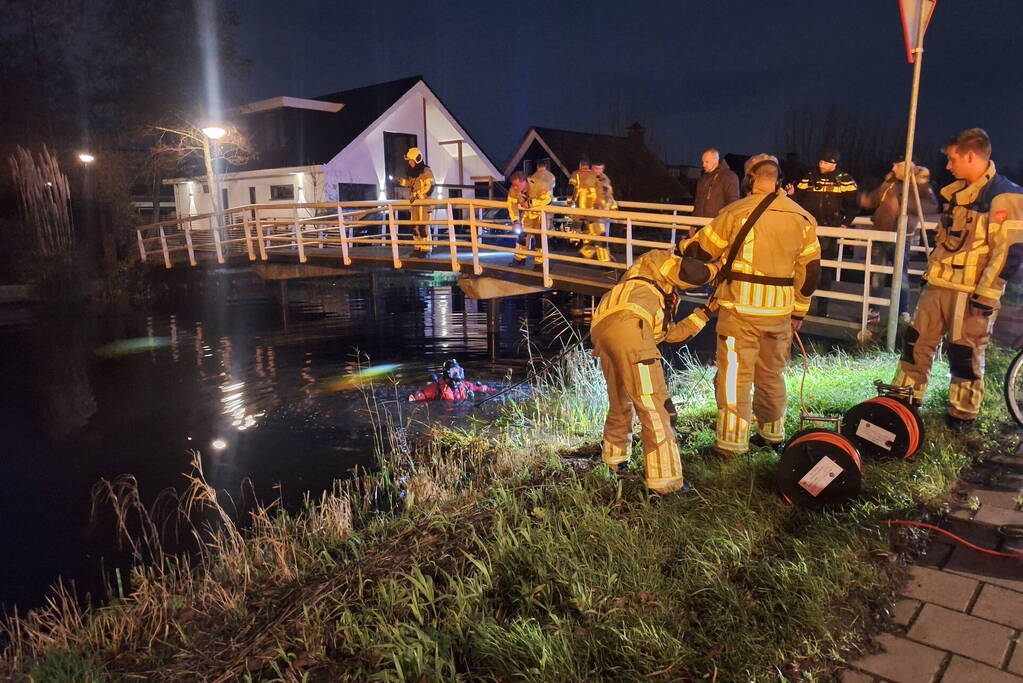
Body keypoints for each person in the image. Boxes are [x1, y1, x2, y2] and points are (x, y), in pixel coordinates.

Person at [684, 154, 821, 455]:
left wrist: (685, 244)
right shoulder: (803, 218)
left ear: (748, 181)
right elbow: (810, 273)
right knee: (771, 372)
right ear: (779, 181)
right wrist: (799, 310)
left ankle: (732, 443)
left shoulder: (736, 212)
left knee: (735, 375)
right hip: (780, 314)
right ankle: (772, 434)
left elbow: (702, 249)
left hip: (740, 311)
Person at [893, 128, 1023, 430]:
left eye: (952, 160)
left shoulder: (1006, 196)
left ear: (970, 156)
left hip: (971, 293)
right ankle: (904, 402)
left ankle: (961, 415)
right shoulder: (957, 194)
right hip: (940, 284)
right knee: (916, 343)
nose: (949, 166)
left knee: (965, 353)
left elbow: (1007, 254)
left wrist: (986, 297)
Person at [590, 245, 719, 494]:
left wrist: (704, 313)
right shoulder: (658, 259)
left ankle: (613, 460)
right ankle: (666, 482)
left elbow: (668, 336)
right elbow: (691, 273)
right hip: (631, 324)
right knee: (656, 406)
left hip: (604, 327)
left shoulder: (641, 287)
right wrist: (717, 269)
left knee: (620, 400)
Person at [860, 161, 939, 319]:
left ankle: (903, 312)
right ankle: (873, 311)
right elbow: (875, 199)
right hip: (881, 234)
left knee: (901, 276)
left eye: (897, 166)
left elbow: (931, 205)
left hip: (902, 237)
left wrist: (904, 204)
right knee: (877, 275)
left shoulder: (919, 186)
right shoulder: (889, 183)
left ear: (906, 170)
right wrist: (866, 200)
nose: (893, 168)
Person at [793, 147, 858, 316]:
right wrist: (792, 194)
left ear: (834, 164)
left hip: (830, 230)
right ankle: (801, 304)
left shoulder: (843, 179)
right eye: (820, 161)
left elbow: (853, 205)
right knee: (804, 265)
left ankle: (822, 309)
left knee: (825, 268)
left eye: (826, 162)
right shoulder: (809, 176)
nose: (821, 165)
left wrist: (844, 223)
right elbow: (798, 199)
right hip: (809, 229)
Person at [507, 170, 552, 267]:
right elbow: (511, 204)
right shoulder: (513, 189)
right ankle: (519, 258)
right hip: (528, 214)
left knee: (540, 238)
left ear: (524, 181)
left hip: (542, 214)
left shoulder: (539, 185)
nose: (515, 187)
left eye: (517, 185)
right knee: (522, 236)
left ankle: (540, 262)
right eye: (513, 185)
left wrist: (531, 203)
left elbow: (548, 198)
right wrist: (516, 220)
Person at [396, 147, 435, 254]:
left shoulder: (426, 171)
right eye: (409, 161)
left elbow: (430, 186)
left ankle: (426, 249)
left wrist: (418, 195)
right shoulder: (413, 173)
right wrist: (401, 182)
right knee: (414, 226)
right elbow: (410, 183)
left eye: (411, 161)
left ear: (417, 160)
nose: (410, 163)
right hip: (414, 204)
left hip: (424, 204)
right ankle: (418, 247)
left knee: (423, 227)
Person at [579, 161, 617, 262]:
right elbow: (582, 196)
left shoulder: (605, 179)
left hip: (604, 213)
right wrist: (583, 212)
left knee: (595, 237)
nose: (598, 171)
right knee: (601, 236)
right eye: (596, 169)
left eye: (600, 169)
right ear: (592, 168)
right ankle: (604, 260)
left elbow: (609, 194)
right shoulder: (587, 180)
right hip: (593, 213)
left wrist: (613, 206)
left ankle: (585, 253)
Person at [409, 359, 495, 402]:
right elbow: (417, 396)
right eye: (453, 372)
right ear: (446, 373)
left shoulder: (465, 385)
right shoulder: (434, 389)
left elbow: (481, 388)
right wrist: (414, 398)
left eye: (459, 371)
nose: (457, 375)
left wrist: (491, 390)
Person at [693, 148, 739, 219]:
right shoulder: (703, 179)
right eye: (703, 162)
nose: (703, 165)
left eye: (706, 162)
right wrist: (693, 224)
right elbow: (697, 202)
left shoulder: (729, 177)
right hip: (700, 224)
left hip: (718, 224)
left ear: (715, 160)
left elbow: (733, 202)